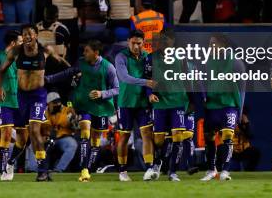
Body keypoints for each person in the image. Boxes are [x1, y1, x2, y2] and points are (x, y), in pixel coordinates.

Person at [0, 24, 69, 181]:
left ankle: (42, 170)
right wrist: (0, 88)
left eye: (30, 34)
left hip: (38, 95)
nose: (27, 37)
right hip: (21, 97)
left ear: (36, 35)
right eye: (25, 34)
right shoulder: (16, 52)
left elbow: (61, 60)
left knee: (35, 130)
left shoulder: (45, 51)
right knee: (22, 139)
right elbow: (1, 71)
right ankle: (10, 163)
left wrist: (76, 72)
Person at [45, 39, 119, 182]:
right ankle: (84, 170)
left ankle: (88, 168)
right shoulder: (81, 63)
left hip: (101, 107)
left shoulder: (108, 67)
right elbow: (67, 73)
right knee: (85, 133)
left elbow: (117, 89)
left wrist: (102, 94)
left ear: (96, 53)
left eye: (87, 51)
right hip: (84, 105)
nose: (84, 53)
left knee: (96, 142)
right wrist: (48, 79)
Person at [200, 34, 245, 181]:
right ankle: (211, 170)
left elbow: (242, 88)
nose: (211, 46)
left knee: (227, 136)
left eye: (214, 43)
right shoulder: (208, 62)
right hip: (212, 106)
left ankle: (225, 171)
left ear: (223, 45)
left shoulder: (236, 62)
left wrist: (240, 111)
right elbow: (204, 82)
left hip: (228, 105)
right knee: (209, 137)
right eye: (210, 43)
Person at [114, 29, 157, 182]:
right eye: (133, 43)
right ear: (128, 42)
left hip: (142, 102)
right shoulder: (121, 57)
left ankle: (149, 168)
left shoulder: (148, 57)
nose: (136, 46)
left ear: (143, 43)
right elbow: (124, 77)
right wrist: (146, 82)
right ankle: (122, 171)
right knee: (124, 136)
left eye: (139, 43)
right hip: (125, 102)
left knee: (147, 134)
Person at [146, 28, 188, 182]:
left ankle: (173, 172)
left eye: (166, 39)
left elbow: (187, 79)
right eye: (162, 39)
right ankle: (157, 163)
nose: (163, 42)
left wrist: (190, 101)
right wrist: (149, 94)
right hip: (160, 103)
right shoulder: (151, 58)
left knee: (178, 136)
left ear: (172, 41)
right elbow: (146, 79)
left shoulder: (181, 57)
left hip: (177, 101)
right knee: (158, 140)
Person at [0, 30, 27, 181]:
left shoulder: (23, 58)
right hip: (6, 101)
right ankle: (4, 170)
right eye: (21, 41)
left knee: (23, 139)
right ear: (13, 43)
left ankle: (10, 162)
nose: (23, 44)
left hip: (21, 101)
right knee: (6, 133)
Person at [41, 92, 78, 173]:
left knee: (72, 144)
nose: (57, 104)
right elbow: (45, 127)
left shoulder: (67, 110)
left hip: (63, 138)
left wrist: (74, 120)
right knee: (34, 143)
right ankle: (32, 170)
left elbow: (76, 127)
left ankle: (58, 170)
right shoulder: (44, 112)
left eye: (58, 102)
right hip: (49, 137)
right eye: (54, 103)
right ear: (48, 104)